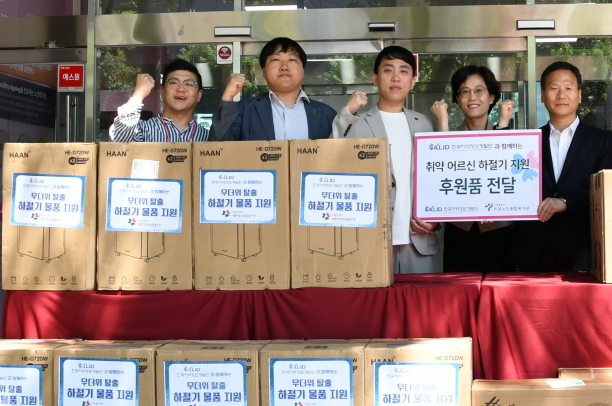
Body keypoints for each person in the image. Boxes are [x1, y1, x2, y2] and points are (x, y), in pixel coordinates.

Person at [333, 46, 439, 274]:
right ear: (375, 78)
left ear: (412, 81)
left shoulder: (427, 125)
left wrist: (437, 221)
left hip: (417, 239)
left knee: (418, 308)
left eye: (403, 71)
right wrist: (345, 114)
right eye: (388, 70)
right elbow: (331, 160)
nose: (395, 77)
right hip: (370, 238)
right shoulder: (356, 122)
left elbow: (439, 179)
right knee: (374, 307)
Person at [512, 61, 612, 273]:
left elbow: (607, 190)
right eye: (553, 88)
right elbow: (512, 187)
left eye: (568, 88)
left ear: (579, 95)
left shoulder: (601, 140)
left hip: (582, 251)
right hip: (532, 252)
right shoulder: (525, 142)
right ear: (542, 95)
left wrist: (567, 203)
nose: (561, 95)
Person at [428, 65, 516, 273]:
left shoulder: (508, 136)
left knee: (499, 297)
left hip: (500, 231)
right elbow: (439, 175)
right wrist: (442, 122)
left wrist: (503, 125)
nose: (472, 97)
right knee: (458, 298)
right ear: (457, 99)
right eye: (464, 92)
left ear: (492, 97)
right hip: (460, 232)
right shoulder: (449, 135)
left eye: (479, 90)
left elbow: (510, 177)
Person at [211, 36, 336, 141]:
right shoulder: (243, 111)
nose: (284, 67)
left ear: (303, 70)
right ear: (264, 71)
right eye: (276, 59)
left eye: (292, 59)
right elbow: (216, 150)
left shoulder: (326, 114)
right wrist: (227, 98)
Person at [109, 58, 211, 142]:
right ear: (162, 92)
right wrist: (138, 94)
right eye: (173, 82)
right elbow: (118, 142)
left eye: (189, 84)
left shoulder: (208, 138)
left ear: (199, 95)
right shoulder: (142, 130)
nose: (180, 89)